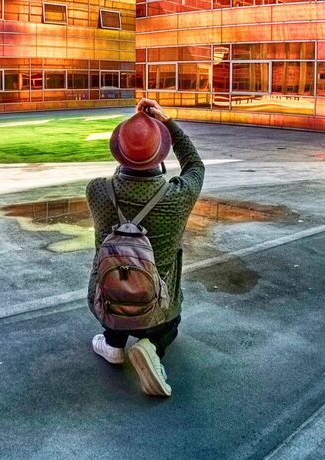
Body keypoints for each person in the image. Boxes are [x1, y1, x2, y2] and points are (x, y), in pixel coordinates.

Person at [86, 98, 204, 397]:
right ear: (160, 153)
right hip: (157, 311)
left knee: (116, 284)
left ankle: (113, 344)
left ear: (119, 152)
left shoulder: (97, 189)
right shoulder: (178, 195)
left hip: (107, 305)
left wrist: (133, 136)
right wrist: (165, 123)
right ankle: (152, 346)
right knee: (172, 322)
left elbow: (118, 180)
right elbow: (195, 163)